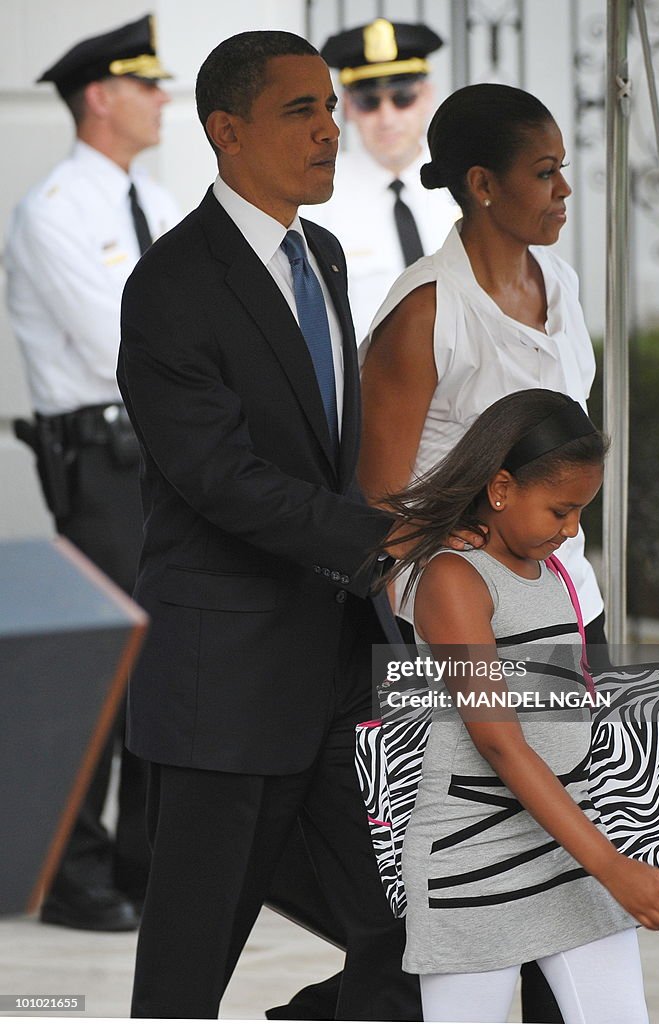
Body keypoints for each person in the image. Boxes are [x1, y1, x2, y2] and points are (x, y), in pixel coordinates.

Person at [116, 30, 482, 1019]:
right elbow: (219, 478)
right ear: (225, 132)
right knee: (184, 983)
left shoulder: (318, 251)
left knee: (419, 943)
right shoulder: (170, 286)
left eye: (330, 109)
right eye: (300, 111)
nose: (329, 130)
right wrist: (378, 541)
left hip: (333, 673)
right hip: (225, 687)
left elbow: (327, 448)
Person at [358, 81, 612, 1022]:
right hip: (470, 624)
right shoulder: (426, 311)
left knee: (563, 864)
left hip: (569, 603)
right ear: (481, 184)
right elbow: (376, 501)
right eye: (543, 173)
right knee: (485, 853)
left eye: (562, 171)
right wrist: (451, 550)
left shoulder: (563, 283)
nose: (563, 190)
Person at [381, 389, 659, 1024]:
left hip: (567, 843)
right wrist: (611, 865)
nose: (572, 529)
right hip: (473, 857)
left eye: (581, 511)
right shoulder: (454, 578)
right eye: (561, 509)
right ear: (499, 490)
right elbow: (500, 742)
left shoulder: (546, 569)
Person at [4, 14, 179, 932]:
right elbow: (127, 344)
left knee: (161, 666)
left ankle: (141, 865)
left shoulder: (154, 196)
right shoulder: (56, 211)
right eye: (147, 85)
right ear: (100, 97)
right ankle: (71, 871)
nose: (163, 99)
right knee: (104, 667)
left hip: (166, 454)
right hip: (105, 457)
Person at [308, 17, 459, 342]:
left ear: (427, 96)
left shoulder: (465, 184)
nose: (387, 118)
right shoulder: (318, 199)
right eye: (369, 102)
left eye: (402, 97)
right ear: (347, 106)